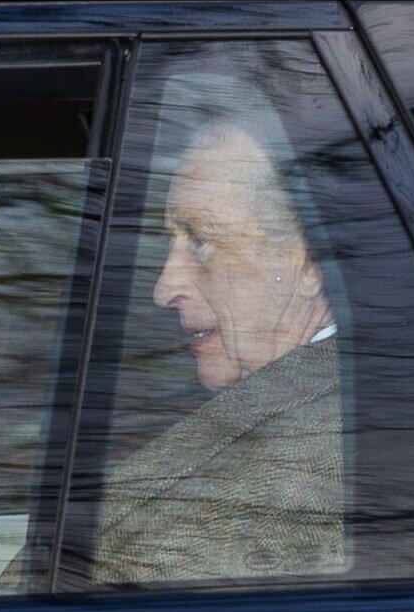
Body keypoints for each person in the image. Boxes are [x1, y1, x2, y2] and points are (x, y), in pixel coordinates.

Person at [90, 120, 345, 583]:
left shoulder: (317, 463)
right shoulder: (297, 417)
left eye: (200, 241)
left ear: (308, 260)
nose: (163, 289)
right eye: (172, 242)